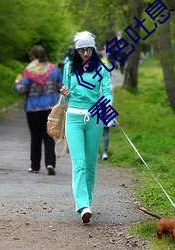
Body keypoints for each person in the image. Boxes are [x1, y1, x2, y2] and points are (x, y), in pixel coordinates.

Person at [60, 31, 113, 223]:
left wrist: (107, 109)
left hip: (95, 118)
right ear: (76, 50)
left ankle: (87, 201)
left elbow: (106, 93)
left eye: (88, 49)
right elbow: (66, 97)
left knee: (91, 163)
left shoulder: (102, 69)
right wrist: (65, 92)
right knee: (79, 162)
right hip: (73, 117)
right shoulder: (68, 68)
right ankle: (82, 204)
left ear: (94, 48)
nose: (85, 53)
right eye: (81, 50)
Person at [14, 45, 63, 175]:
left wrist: (17, 83)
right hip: (50, 109)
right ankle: (50, 163)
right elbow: (61, 87)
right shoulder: (54, 70)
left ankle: (35, 166)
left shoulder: (29, 71)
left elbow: (22, 90)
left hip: (33, 109)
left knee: (35, 138)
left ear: (33, 57)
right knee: (49, 137)